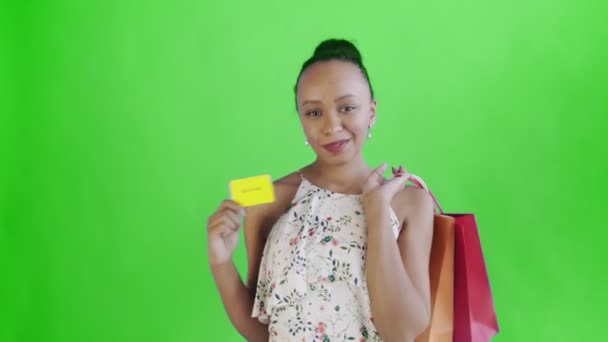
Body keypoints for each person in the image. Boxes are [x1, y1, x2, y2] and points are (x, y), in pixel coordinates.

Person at [207, 39, 435, 342]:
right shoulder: (269, 200)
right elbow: (263, 330)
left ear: (372, 112)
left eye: (347, 108)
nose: (331, 126)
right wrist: (221, 261)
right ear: (301, 119)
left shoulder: (410, 202)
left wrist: (377, 208)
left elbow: (401, 332)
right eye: (314, 113)